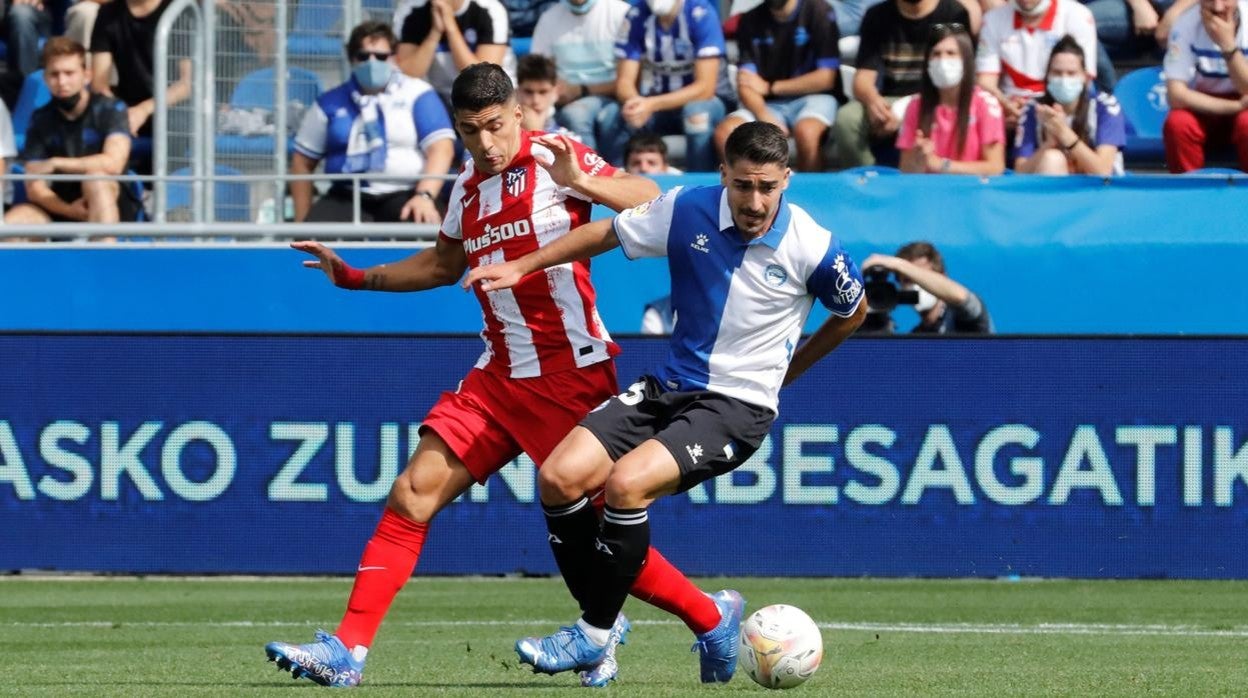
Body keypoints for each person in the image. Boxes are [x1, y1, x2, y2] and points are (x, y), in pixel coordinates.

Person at [265, 62, 729, 690]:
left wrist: (582, 181)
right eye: (468, 131)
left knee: (600, 531)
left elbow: (653, 203)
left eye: (493, 127)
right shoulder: (464, 188)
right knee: (413, 492)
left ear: (518, 114)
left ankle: (708, 618)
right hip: (498, 375)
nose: (485, 144)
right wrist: (355, 277)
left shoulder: (556, 159)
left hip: (571, 374)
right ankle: (348, 651)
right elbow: (441, 264)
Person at [462, 121, 868, 682]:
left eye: (768, 187)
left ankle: (593, 636)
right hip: (670, 387)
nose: (754, 200)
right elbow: (605, 235)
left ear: (787, 181)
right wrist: (523, 264)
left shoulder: (814, 246)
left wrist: (785, 372)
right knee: (558, 476)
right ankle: (686, 619)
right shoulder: (686, 208)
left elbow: (854, 312)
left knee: (626, 484)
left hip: (738, 405)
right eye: (743, 184)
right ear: (723, 173)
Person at [291, 21, 456, 224]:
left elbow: (441, 149)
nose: (372, 62)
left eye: (380, 57)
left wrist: (425, 196)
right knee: (309, 243)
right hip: (346, 195)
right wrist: (302, 220)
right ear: (352, 59)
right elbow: (302, 161)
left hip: (406, 192)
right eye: (363, 56)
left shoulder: (418, 93)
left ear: (394, 58)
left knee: (427, 233)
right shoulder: (329, 102)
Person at [4, 38, 139, 226]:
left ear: (86, 76)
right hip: (59, 207)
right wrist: (70, 211)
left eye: (69, 73)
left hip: (111, 202)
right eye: (54, 74)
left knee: (96, 180)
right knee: (15, 222)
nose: (61, 82)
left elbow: (113, 164)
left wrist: (55, 163)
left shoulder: (112, 109)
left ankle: (104, 252)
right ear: (45, 79)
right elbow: (34, 187)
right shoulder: (40, 119)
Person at [832, 0, 973, 168]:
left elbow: (963, 71)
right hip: (890, 98)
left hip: (938, 96)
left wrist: (905, 110)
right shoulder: (877, 16)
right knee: (847, 119)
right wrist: (873, 101)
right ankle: (869, 179)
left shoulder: (953, 13)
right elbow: (863, 76)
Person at [599, 0, 731, 171]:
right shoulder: (635, 15)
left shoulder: (702, 14)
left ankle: (700, 186)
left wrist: (651, 104)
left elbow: (705, 89)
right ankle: (614, 184)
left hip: (704, 102)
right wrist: (635, 104)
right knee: (613, 116)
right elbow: (624, 81)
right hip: (655, 106)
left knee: (697, 115)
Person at [714, 0, 843, 171]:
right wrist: (764, 115)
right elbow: (745, 83)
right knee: (726, 133)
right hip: (767, 104)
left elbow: (825, 79)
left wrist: (770, 87)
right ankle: (743, 194)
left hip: (816, 97)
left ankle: (808, 197)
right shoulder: (750, 19)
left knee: (807, 132)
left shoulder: (819, 11)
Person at [897, 24, 1006, 174]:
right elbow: (905, 170)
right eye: (936, 54)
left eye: (951, 53)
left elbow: (995, 167)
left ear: (966, 61)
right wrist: (918, 158)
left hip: (973, 192)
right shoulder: (915, 105)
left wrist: (942, 165)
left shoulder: (986, 104)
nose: (942, 60)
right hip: (930, 192)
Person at [976, 0, 1098, 131]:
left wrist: (1034, 113)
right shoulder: (993, 19)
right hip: (1012, 112)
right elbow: (985, 83)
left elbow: (1082, 80)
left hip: (1060, 110)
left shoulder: (1078, 16)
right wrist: (1005, 106)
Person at [1014, 35, 1126, 175]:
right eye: (1057, 73)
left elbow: (1103, 171)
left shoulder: (1106, 106)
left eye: (1071, 73)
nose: (1064, 79)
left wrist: (1064, 133)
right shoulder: (1033, 109)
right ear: (1047, 76)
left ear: (1085, 77)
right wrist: (1049, 144)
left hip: (1099, 191)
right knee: (1052, 158)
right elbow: (1020, 171)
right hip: (1054, 187)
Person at [530, 0, 632, 151]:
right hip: (563, 99)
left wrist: (581, 90)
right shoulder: (548, 19)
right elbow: (540, 71)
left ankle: (597, 169)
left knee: (589, 115)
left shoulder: (621, 13)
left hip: (614, 97)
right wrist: (555, 90)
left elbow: (631, 79)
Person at [1161, 0, 1248, 172]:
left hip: (1242, 105)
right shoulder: (1185, 25)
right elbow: (1176, 96)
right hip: (1203, 106)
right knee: (1178, 124)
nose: (1217, 7)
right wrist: (1235, 107)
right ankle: (1188, 192)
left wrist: (1228, 47)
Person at [89, 0, 191, 142]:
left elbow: (187, 84)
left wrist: (144, 109)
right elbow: (99, 85)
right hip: (128, 109)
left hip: (175, 111)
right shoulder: (108, 13)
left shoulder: (180, 10)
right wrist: (119, 114)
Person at [394, 0, 513, 103]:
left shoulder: (490, 9)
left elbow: (484, 79)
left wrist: (450, 26)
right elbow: (408, 75)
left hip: (487, 96)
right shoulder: (411, 10)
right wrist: (435, 33)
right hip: (435, 96)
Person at [860, 241, 993, 333]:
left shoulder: (966, 319)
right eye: (907, 280)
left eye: (920, 276)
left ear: (943, 276)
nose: (915, 284)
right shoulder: (917, 338)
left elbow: (961, 297)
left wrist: (897, 265)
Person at [516, 52, 563, 132]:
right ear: (517, 91)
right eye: (528, 92)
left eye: (543, 92)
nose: (535, 101)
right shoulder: (503, 128)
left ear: (556, 91)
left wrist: (535, 131)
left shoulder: (567, 136)